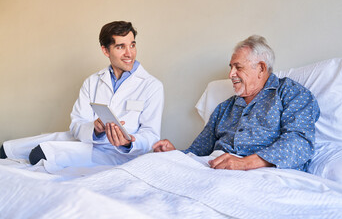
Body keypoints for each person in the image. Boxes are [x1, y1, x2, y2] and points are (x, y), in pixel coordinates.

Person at [1, 21, 164, 168]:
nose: (129, 53)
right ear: (105, 50)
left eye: (132, 45)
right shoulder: (92, 82)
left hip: (119, 156)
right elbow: (77, 123)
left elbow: (151, 134)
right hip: (87, 143)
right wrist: (96, 130)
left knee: (41, 153)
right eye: (121, 47)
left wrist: (129, 143)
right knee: (9, 149)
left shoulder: (152, 86)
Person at [153, 35, 320, 171]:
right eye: (231, 67)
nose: (231, 74)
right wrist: (174, 154)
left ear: (261, 68)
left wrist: (245, 163)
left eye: (238, 67)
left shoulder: (291, 93)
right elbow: (197, 152)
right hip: (214, 170)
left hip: (265, 174)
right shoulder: (224, 108)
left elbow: (300, 143)